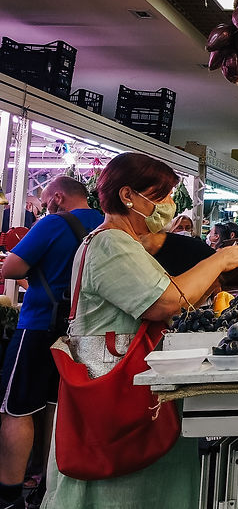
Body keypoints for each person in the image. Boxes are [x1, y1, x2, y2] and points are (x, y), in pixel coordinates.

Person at [41, 152, 238, 509]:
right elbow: (166, 302)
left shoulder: (123, 243)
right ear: (127, 196)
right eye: (161, 195)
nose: (168, 205)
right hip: (116, 391)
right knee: (117, 489)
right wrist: (219, 259)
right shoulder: (110, 243)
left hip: (126, 385)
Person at [0, 178, 102, 509]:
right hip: (83, 332)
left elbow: (12, 268)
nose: (45, 206)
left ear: (57, 197)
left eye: (46, 200)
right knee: (57, 407)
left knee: (17, 408)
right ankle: (48, 486)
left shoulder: (52, 223)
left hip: (39, 325)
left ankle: (9, 493)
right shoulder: (105, 225)